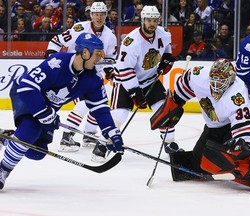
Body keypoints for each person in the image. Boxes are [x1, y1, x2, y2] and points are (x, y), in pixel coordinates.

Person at [0, 33, 124, 190]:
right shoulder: (57, 62)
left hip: (47, 107)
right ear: (85, 52)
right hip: (26, 94)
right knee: (30, 130)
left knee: (37, 153)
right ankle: (3, 169)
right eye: (97, 54)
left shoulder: (93, 79)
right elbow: (27, 87)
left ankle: (8, 137)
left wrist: (111, 132)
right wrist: (44, 113)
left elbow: (100, 109)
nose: (99, 58)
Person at [151, 58, 250, 193]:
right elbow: (186, 81)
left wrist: (244, 145)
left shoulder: (236, 95)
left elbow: (245, 123)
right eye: (214, 80)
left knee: (234, 160)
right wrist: (176, 102)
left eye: (221, 82)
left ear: (230, 81)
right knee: (199, 163)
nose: (216, 86)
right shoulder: (199, 75)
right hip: (215, 124)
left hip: (246, 121)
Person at [45, 1, 117, 160]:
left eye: (102, 14)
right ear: (91, 15)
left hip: (93, 77)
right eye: (96, 14)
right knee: (85, 103)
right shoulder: (79, 28)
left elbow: (110, 59)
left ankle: (88, 134)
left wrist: (109, 70)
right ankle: (67, 136)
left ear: (106, 15)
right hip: (75, 74)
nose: (99, 17)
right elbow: (57, 41)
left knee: (100, 104)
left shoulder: (110, 37)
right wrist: (51, 58)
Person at [111, 5, 182, 153]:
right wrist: (135, 92)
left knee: (165, 111)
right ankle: (105, 142)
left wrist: (167, 60)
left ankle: (169, 144)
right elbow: (125, 69)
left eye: (155, 20)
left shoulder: (163, 34)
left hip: (150, 80)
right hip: (125, 82)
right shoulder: (131, 41)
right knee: (119, 115)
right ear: (142, 20)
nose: (152, 24)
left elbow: (167, 52)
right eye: (149, 20)